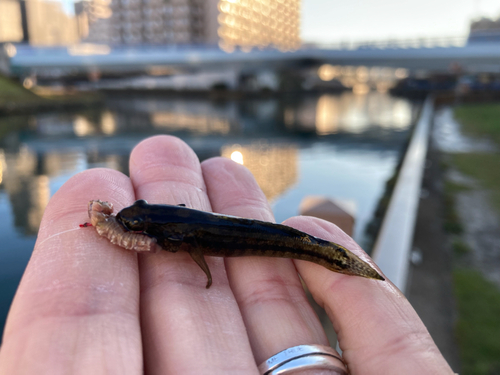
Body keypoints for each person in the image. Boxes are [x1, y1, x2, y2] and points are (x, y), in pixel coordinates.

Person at [0, 136, 454, 374]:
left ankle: (345, 263)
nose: (129, 221)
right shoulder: (164, 221)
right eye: (132, 220)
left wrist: (204, 271)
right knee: (310, 245)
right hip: (221, 229)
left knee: (310, 246)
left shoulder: (177, 235)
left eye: (137, 221)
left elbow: (193, 248)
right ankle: (338, 259)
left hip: (236, 235)